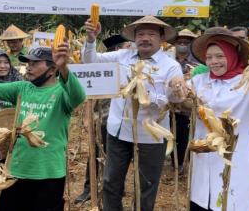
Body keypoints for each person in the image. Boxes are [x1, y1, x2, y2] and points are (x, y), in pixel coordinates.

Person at [0, 43, 86, 211]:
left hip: (49, 173)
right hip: (17, 170)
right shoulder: (22, 88)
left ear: (52, 68)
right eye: (28, 64)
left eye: (35, 63)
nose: (29, 68)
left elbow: (79, 96)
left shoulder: (62, 94)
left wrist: (64, 67)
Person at [82, 15, 183, 211]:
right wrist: (91, 40)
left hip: (151, 137)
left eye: (151, 34)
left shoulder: (171, 66)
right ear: (134, 38)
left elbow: (175, 100)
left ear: (161, 38)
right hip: (118, 132)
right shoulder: (122, 56)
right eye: (141, 34)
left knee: (146, 186)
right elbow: (90, 61)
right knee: (111, 182)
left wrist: (147, 96)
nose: (145, 38)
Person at [170, 27, 249, 211]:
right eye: (209, 57)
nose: (214, 62)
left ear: (232, 55)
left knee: (230, 202)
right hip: (203, 157)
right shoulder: (199, 81)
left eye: (220, 56)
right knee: (202, 201)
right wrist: (175, 85)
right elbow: (176, 98)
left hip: (235, 160)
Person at [75, 34, 130, 204]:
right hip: (104, 119)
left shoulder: (131, 68)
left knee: (119, 158)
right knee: (97, 152)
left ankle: (117, 189)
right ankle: (88, 188)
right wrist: (87, 118)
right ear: (117, 50)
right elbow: (90, 95)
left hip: (124, 121)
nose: (130, 49)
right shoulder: (104, 67)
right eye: (127, 46)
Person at [170, 28, 199, 173]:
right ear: (175, 44)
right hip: (169, 106)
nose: (182, 44)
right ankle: (173, 160)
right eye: (179, 42)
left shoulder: (197, 63)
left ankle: (181, 163)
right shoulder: (168, 59)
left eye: (186, 42)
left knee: (183, 135)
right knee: (169, 134)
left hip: (186, 107)